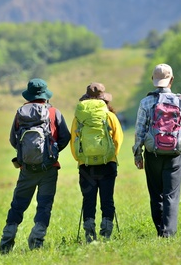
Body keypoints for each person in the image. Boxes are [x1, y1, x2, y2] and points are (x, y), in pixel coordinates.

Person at [0, 78, 71, 253]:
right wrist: (52, 152)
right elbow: (65, 137)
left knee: (18, 205)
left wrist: (26, 155)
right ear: (45, 95)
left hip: (27, 170)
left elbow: (13, 140)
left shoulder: (20, 113)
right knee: (44, 205)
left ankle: (6, 242)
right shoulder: (53, 112)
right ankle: (37, 240)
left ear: (29, 95)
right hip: (49, 169)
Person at [132, 63, 181, 237]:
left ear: (153, 80)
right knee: (171, 194)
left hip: (153, 153)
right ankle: (168, 234)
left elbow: (140, 130)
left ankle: (160, 231)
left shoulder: (146, 102)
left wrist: (137, 153)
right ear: (171, 79)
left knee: (156, 194)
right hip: (175, 155)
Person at [70, 82, 123, 242]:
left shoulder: (79, 117)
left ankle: (89, 233)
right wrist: (109, 156)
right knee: (107, 199)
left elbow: (74, 140)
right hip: (108, 163)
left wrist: (81, 159)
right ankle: (106, 232)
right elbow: (118, 140)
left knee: (88, 199)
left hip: (85, 165)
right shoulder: (110, 116)